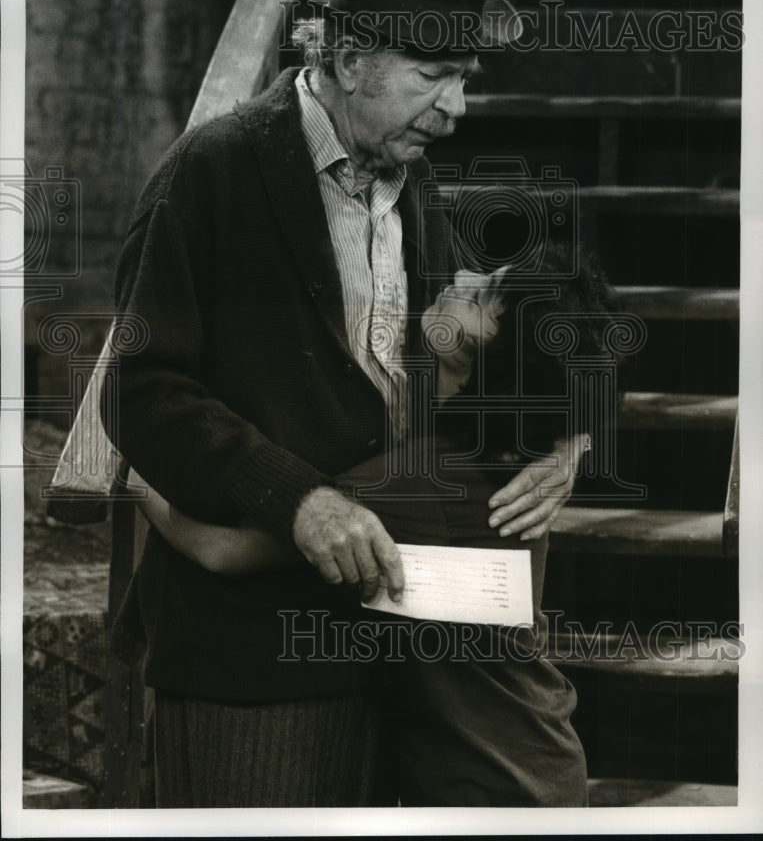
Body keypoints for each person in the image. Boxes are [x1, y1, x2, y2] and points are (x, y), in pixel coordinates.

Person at [104, 0, 590, 807]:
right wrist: (296, 497)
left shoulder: (424, 189)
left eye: (464, 81)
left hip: (409, 641)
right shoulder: (213, 174)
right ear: (350, 56)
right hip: (263, 651)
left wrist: (567, 440)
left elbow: (544, 324)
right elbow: (142, 391)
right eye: (431, 76)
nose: (455, 109)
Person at [138, 244, 619, 806]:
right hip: (525, 764)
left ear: (497, 356)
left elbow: (223, 550)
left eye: (483, 294)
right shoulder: (502, 453)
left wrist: (134, 468)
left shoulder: (428, 481)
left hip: (494, 786)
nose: (461, 274)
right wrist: (573, 438)